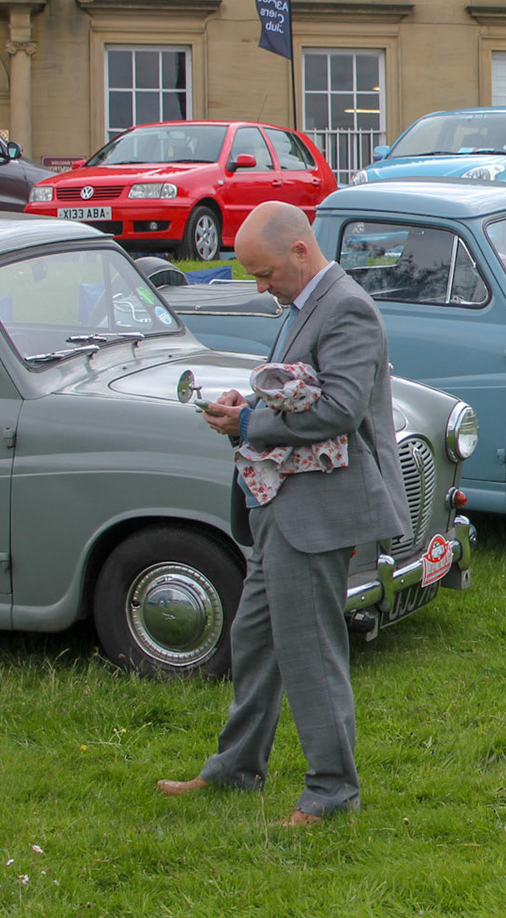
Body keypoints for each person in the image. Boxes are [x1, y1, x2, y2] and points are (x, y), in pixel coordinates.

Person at [157, 201, 411, 826]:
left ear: (301, 250)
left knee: (310, 651)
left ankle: (331, 794)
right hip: (281, 505)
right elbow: (298, 389)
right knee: (254, 638)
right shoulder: (304, 302)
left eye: (265, 273)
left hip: (317, 511)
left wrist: (250, 422)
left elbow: (340, 410)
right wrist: (250, 402)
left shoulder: (347, 307)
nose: (260, 286)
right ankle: (237, 767)